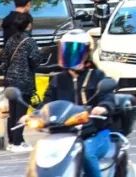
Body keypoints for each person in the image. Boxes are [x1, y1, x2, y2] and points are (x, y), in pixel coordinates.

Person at [40, 32, 115, 177]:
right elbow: (47, 103)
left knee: (86, 153)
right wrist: (34, 116)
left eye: (75, 50)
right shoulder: (58, 79)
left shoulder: (97, 76)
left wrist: (103, 107)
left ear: (87, 53)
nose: (70, 55)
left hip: (94, 132)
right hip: (64, 134)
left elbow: (108, 97)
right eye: (66, 50)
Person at [2, 12, 41, 152]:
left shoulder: (11, 40)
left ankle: (13, 140)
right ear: (28, 25)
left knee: (13, 111)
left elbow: (4, 60)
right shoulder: (29, 41)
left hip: (10, 80)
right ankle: (18, 142)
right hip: (24, 81)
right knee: (21, 113)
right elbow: (35, 61)